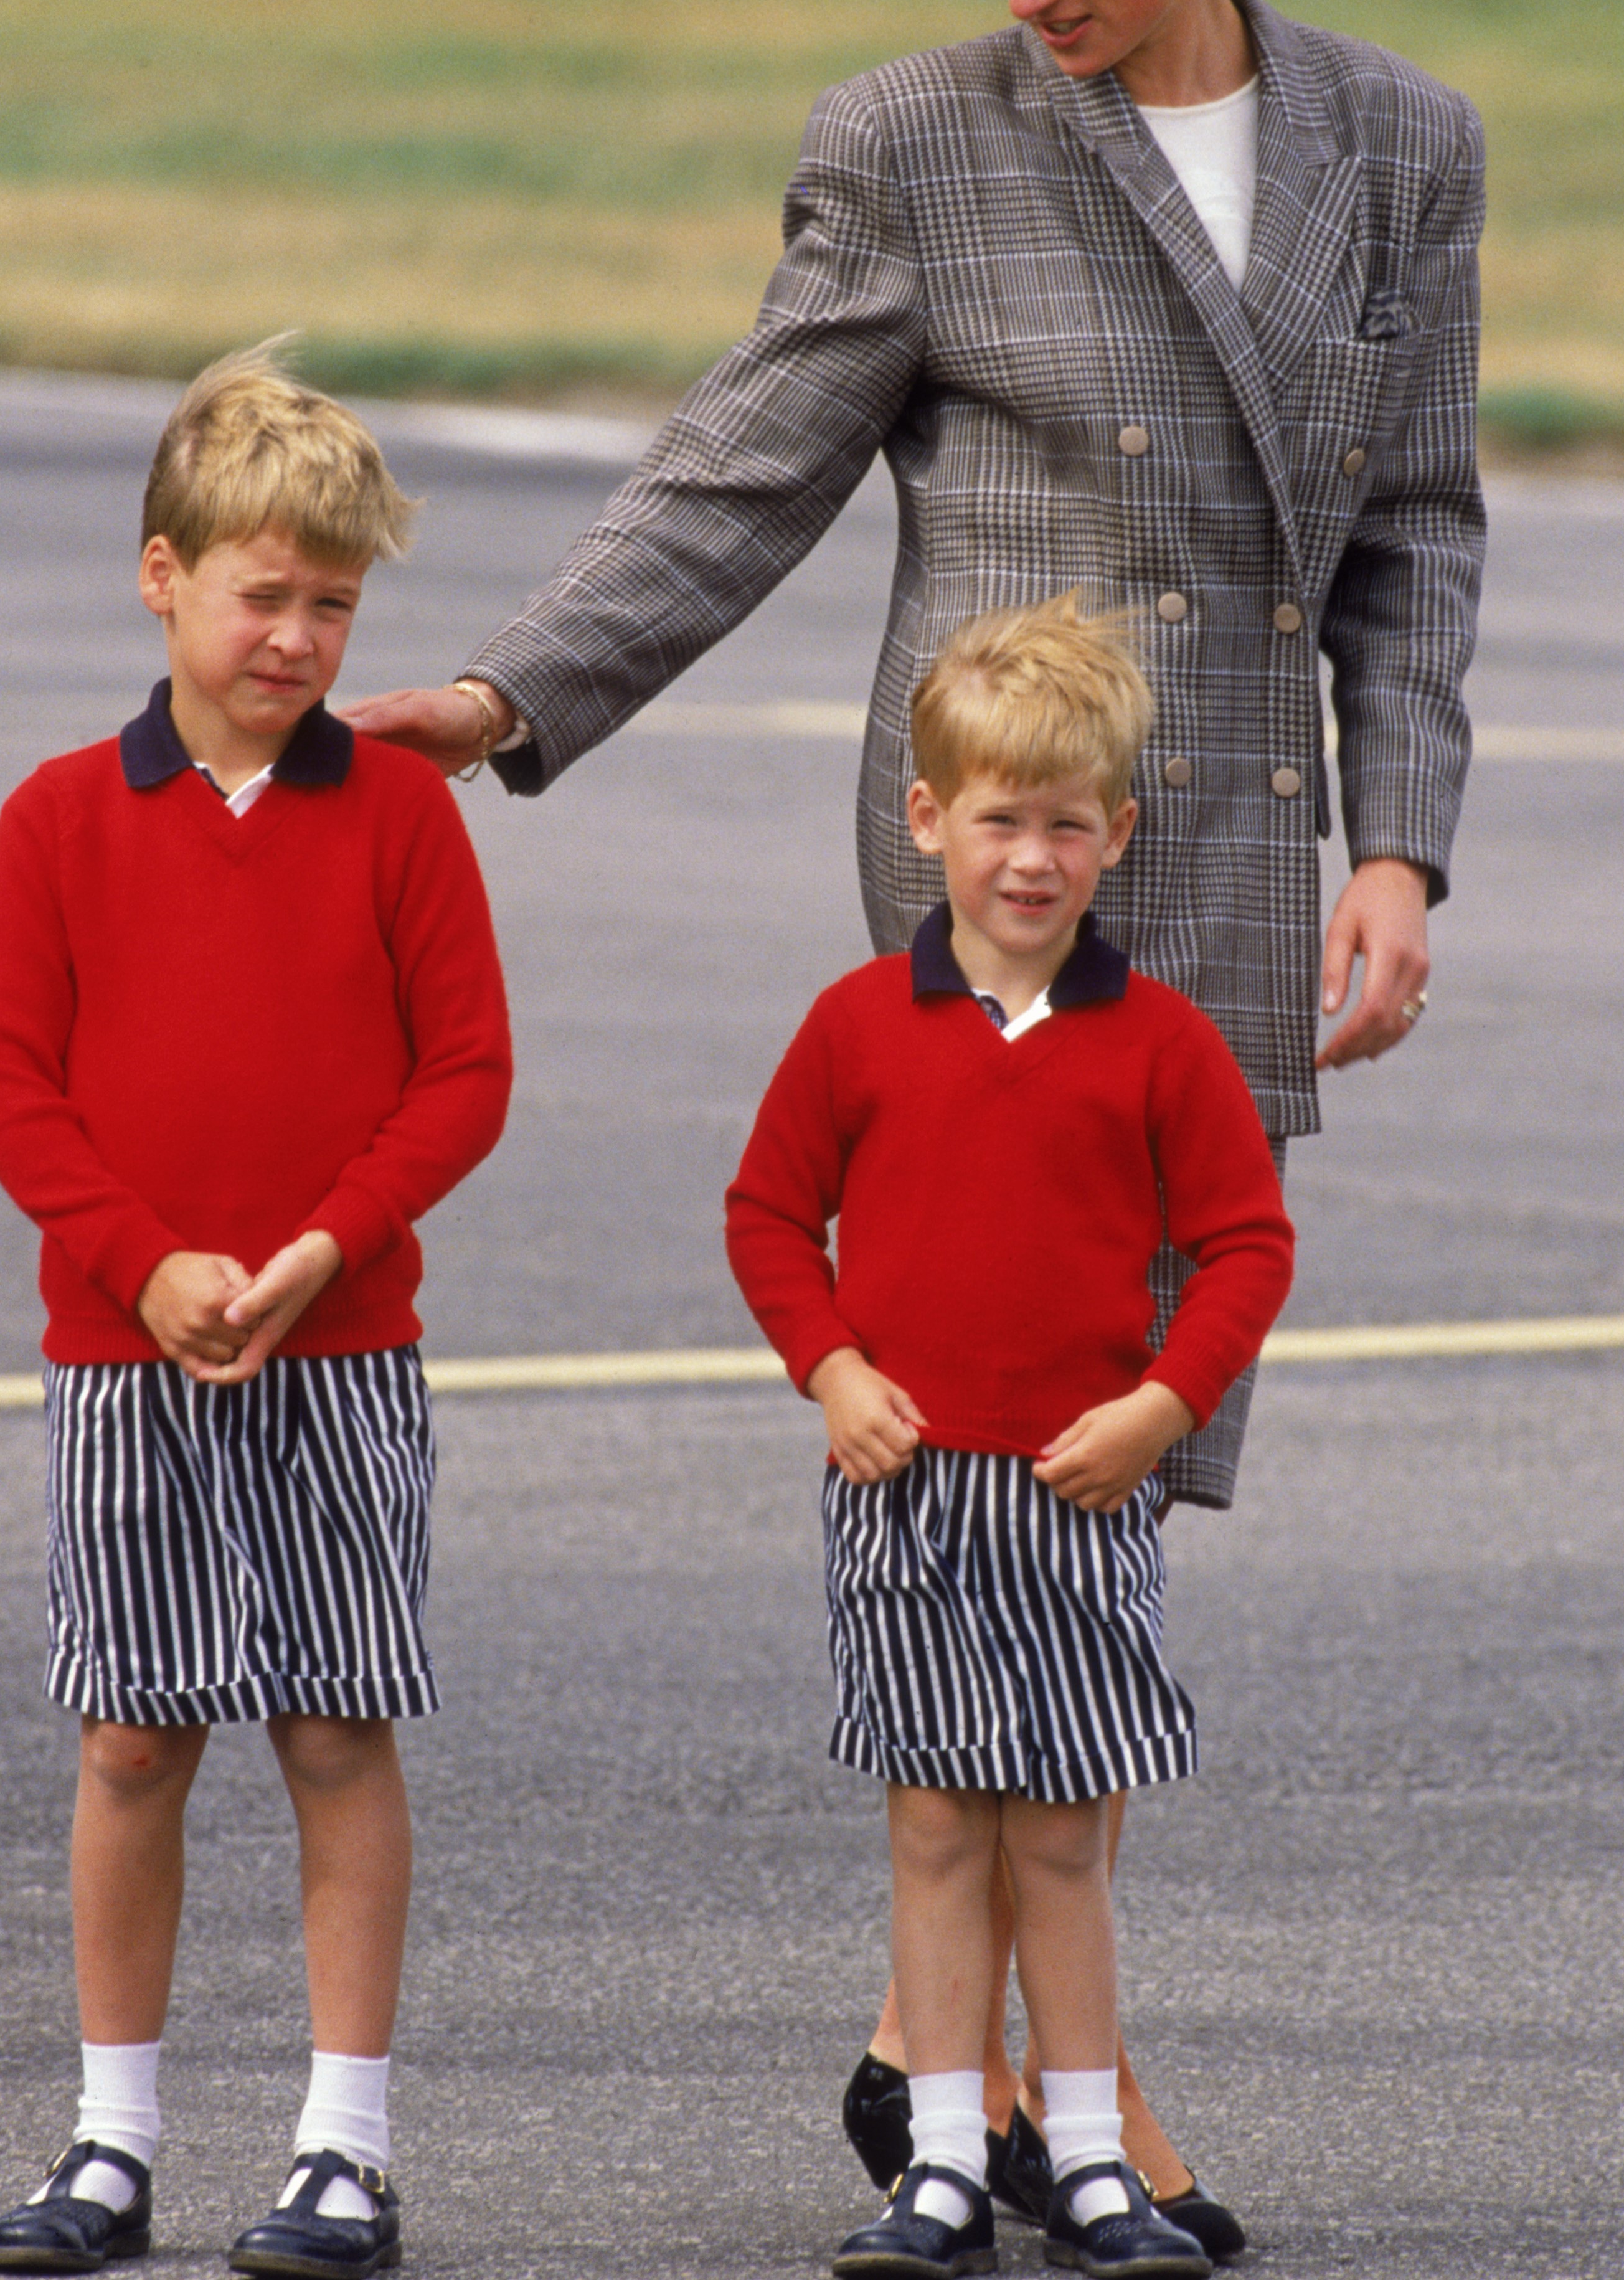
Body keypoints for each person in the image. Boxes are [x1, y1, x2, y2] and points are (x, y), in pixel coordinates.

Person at [346, 0, 1484, 2249]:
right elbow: (747, 455)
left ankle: (928, 2057)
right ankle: (1055, 2109)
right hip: (999, 896)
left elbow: (1412, 529)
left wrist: (1397, 845)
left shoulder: (1398, 147)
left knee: (1114, 1485)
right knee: (988, 1483)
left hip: (1217, 877)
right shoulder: (916, 146)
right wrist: (521, 688)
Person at [0, 346, 513, 2279]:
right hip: (127, 1360)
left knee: (340, 1731)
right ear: (162, 577)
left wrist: (324, 1249)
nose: (295, 638)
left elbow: (464, 1077)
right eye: (261, 595)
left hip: (343, 1355)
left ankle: (342, 2151)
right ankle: (112, 2144)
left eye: (334, 606)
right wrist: (149, 1263)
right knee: (131, 1744)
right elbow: (8, 1086)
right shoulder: (55, 819)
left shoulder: (400, 820)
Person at [725, 598, 1295, 2279]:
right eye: (998, 819)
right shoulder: (854, 1026)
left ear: (1117, 833)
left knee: (1059, 1827)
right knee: (932, 1821)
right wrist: (828, 1369)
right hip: (903, 1491)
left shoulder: (1161, 1042)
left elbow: (1249, 1245)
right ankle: (946, 2164)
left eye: (1066, 825)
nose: (1031, 860)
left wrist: (1164, 1405)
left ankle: (1096, 2160)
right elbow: (769, 1215)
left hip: (1077, 1491)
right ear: (928, 820)